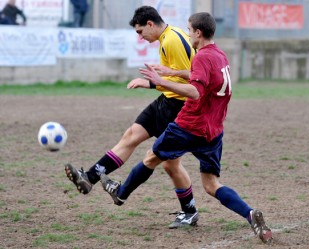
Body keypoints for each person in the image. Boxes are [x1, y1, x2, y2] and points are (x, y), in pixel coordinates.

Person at [100, 12, 273, 243]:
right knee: (211, 185)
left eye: (190, 30)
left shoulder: (201, 57)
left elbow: (195, 91)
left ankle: (120, 194)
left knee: (151, 158)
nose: (188, 33)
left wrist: (161, 82)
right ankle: (250, 214)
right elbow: (199, 77)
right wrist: (173, 72)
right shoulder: (219, 55)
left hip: (189, 125)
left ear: (198, 33)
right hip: (213, 131)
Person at [65, 6, 199, 228]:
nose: (140, 37)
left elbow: (192, 80)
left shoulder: (172, 41)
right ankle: (89, 178)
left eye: (139, 32)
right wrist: (154, 83)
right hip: (165, 101)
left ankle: (190, 211)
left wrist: (152, 82)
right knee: (131, 136)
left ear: (150, 24)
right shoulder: (169, 36)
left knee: (170, 165)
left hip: (179, 107)